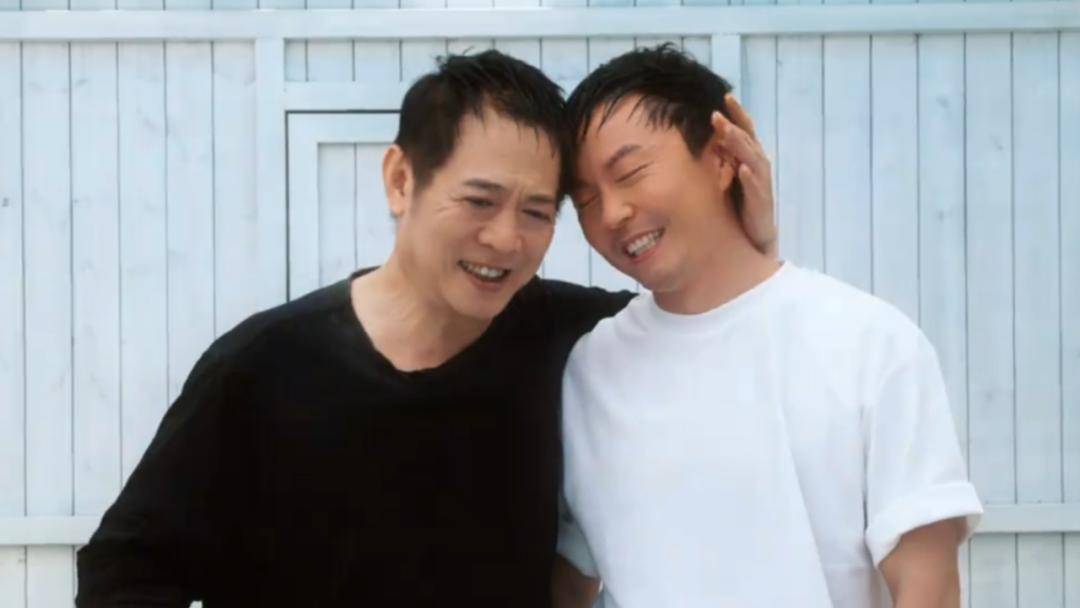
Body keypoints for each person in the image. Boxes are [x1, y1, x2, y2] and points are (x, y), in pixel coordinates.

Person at [76, 50, 774, 607]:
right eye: (479, 200)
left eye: (537, 212)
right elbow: (126, 569)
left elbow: (709, 330)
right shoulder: (261, 367)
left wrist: (752, 242)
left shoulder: (572, 339)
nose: (505, 239)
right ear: (401, 180)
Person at [553, 45, 983, 608]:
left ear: (722, 156)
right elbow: (570, 577)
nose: (611, 213)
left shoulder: (868, 342)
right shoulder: (590, 368)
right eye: (585, 200)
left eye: (631, 173)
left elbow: (928, 585)